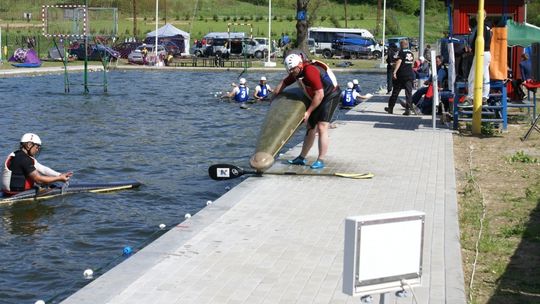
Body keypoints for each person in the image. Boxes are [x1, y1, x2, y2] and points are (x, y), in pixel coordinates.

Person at [273, 53, 341, 169]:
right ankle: (301, 158)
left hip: (330, 95)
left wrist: (308, 112)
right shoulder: (296, 71)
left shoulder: (310, 71)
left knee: (322, 127)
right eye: (289, 71)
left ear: (299, 65)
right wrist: (274, 96)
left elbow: (320, 95)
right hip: (318, 96)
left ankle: (321, 159)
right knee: (310, 127)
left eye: (292, 70)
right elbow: (283, 83)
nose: (291, 73)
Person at [1, 133, 72, 196]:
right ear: (29, 145)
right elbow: (39, 180)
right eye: (37, 147)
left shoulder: (17, 155)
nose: (37, 150)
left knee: (47, 182)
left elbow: (42, 169)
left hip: (7, 191)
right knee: (45, 183)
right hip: (18, 193)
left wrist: (60, 175)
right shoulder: (24, 159)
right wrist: (59, 179)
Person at [463, 10, 492, 106]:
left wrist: (471, 48)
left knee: (472, 75)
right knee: (485, 76)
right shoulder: (488, 27)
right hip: (487, 53)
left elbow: (478, 41)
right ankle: (485, 97)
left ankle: (471, 97)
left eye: (478, 16)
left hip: (481, 53)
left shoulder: (481, 27)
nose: (476, 18)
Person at [385, 39, 416, 115]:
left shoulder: (401, 52)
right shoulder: (411, 53)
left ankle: (390, 108)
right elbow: (411, 64)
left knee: (395, 92)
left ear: (402, 45)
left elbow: (399, 62)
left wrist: (394, 72)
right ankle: (408, 109)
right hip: (409, 75)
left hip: (401, 75)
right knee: (408, 93)